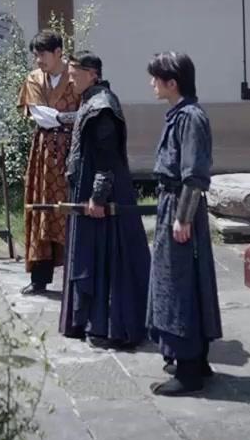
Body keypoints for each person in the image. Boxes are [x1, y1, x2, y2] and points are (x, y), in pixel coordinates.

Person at [59, 52, 151, 350]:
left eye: (75, 73)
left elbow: (107, 158)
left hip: (103, 194)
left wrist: (97, 197)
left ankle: (110, 326)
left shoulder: (103, 107)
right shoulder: (90, 99)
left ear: (92, 74)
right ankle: (86, 320)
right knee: (88, 253)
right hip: (86, 187)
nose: (70, 78)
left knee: (106, 258)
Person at [146, 51, 222, 397]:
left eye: (156, 79)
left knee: (180, 286)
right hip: (171, 206)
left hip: (180, 208)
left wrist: (182, 217)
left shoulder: (190, 118)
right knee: (178, 282)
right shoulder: (178, 115)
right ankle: (193, 359)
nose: (152, 84)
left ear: (171, 82)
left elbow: (194, 175)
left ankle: (190, 368)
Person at [18, 30, 79, 296]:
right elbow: (39, 115)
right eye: (36, 55)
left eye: (43, 54)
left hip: (72, 151)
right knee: (42, 209)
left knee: (71, 209)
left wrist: (64, 117)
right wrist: (66, 116)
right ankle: (40, 278)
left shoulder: (75, 77)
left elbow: (85, 113)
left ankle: (75, 277)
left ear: (58, 53)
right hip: (43, 151)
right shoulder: (34, 79)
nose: (38, 60)